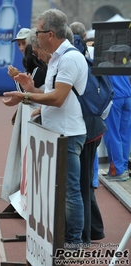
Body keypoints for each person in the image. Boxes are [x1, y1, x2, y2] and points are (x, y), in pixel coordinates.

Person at [2, 9, 88, 249]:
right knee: (57, 188)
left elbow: (58, 99)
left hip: (68, 133)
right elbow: (48, 94)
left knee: (70, 190)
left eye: (38, 32)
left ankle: (74, 241)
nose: (35, 37)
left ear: (50, 34)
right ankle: (59, 235)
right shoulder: (56, 58)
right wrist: (30, 88)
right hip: (56, 132)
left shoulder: (69, 58)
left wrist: (26, 95)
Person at [71, 33, 105, 245]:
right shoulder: (88, 63)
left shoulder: (76, 65)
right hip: (93, 128)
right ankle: (95, 229)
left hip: (86, 131)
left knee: (81, 186)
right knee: (84, 185)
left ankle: (84, 236)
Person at [104, 75, 131, 182]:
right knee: (125, 135)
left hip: (114, 96)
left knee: (112, 134)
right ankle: (123, 168)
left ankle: (117, 170)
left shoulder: (102, 59)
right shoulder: (121, 58)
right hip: (128, 95)